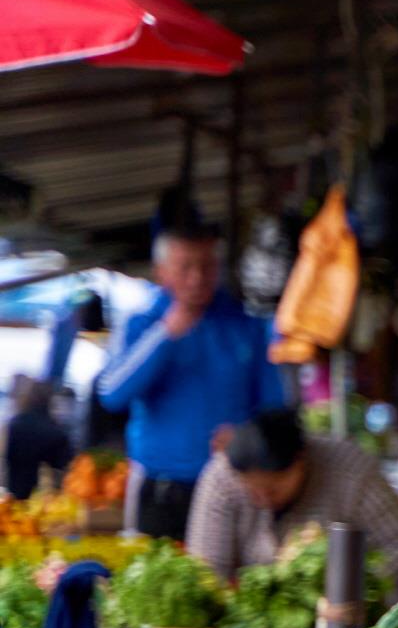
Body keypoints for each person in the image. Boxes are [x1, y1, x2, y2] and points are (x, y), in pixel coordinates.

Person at [96, 222, 289, 540]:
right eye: (185, 267)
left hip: (233, 486)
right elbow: (112, 394)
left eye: (207, 266)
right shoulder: (142, 322)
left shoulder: (245, 325)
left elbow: (274, 406)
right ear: (161, 271)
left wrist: (249, 435)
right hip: (160, 488)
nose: (197, 278)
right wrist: (166, 335)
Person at [186, 408, 398, 597]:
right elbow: (206, 572)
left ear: (301, 461)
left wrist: (351, 588)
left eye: (272, 489)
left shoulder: (352, 470)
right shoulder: (220, 480)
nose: (263, 499)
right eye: (253, 491)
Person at [4, 377, 73, 500]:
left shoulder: (14, 425)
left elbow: (7, 459)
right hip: (45, 504)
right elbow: (67, 471)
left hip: (14, 497)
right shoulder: (56, 432)